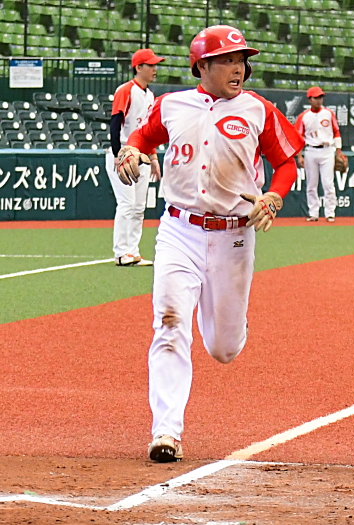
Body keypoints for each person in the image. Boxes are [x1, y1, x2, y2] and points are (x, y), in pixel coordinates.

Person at [116, 25, 305, 462]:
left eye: (241, 60)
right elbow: (143, 137)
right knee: (169, 324)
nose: (237, 68)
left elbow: (286, 164)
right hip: (178, 230)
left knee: (223, 347)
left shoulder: (258, 109)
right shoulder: (172, 105)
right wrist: (131, 150)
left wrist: (274, 196)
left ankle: (226, 320)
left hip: (233, 236)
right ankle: (166, 431)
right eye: (227, 60)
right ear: (201, 65)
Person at [106, 48, 165, 266]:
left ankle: (133, 251)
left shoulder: (150, 96)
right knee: (127, 203)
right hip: (123, 151)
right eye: (151, 65)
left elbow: (148, 131)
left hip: (143, 155)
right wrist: (116, 154)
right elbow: (115, 122)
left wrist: (154, 158)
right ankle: (121, 252)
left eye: (155, 65)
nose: (155, 69)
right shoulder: (126, 90)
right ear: (138, 67)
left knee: (139, 207)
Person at [294, 86, 344, 222]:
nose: (319, 100)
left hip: (327, 150)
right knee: (311, 184)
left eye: (320, 97)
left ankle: (330, 213)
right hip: (310, 150)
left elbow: (336, 132)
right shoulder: (304, 117)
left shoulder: (329, 113)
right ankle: (313, 213)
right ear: (309, 99)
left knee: (328, 184)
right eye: (316, 97)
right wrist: (299, 155)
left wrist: (338, 151)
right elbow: (298, 137)